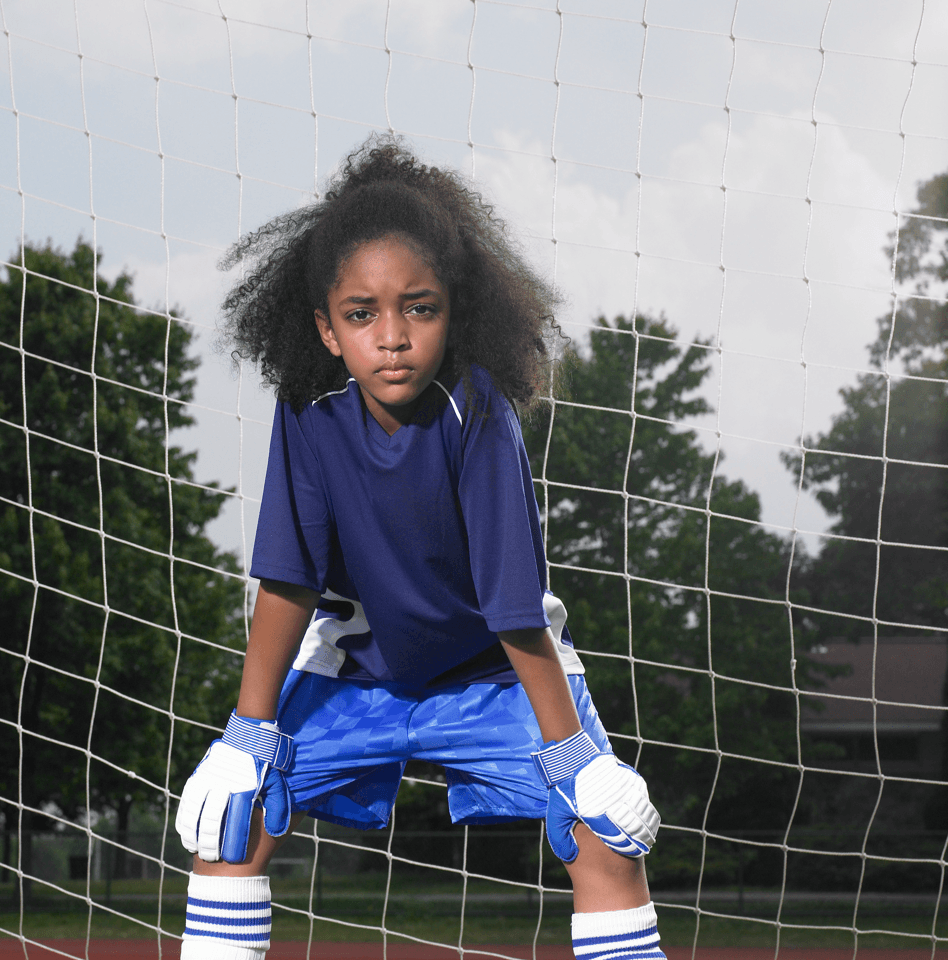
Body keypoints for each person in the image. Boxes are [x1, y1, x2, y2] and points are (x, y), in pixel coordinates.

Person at [174, 137, 665, 960]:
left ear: (453, 313)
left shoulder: (478, 409)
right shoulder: (309, 408)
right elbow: (290, 577)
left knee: (606, 832)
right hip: (359, 671)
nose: (392, 337)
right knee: (231, 817)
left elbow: (513, 603)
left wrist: (575, 756)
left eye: (420, 308)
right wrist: (245, 732)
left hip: (495, 673)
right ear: (327, 329)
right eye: (362, 314)